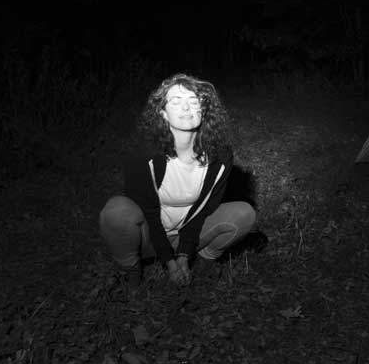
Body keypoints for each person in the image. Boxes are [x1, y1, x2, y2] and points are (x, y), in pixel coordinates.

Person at [98, 73, 256, 288]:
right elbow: (150, 214)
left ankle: (203, 265)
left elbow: (204, 210)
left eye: (194, 101)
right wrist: (169, 262)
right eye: (176, 101)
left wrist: (183, 255)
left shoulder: (220, 156)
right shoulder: (142, 155)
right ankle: (131, 275)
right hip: (149, 238)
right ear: (163, 113)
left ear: (204, 110)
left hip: (190, 236)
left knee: (244, 212)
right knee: (116, 211)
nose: (186, 108)